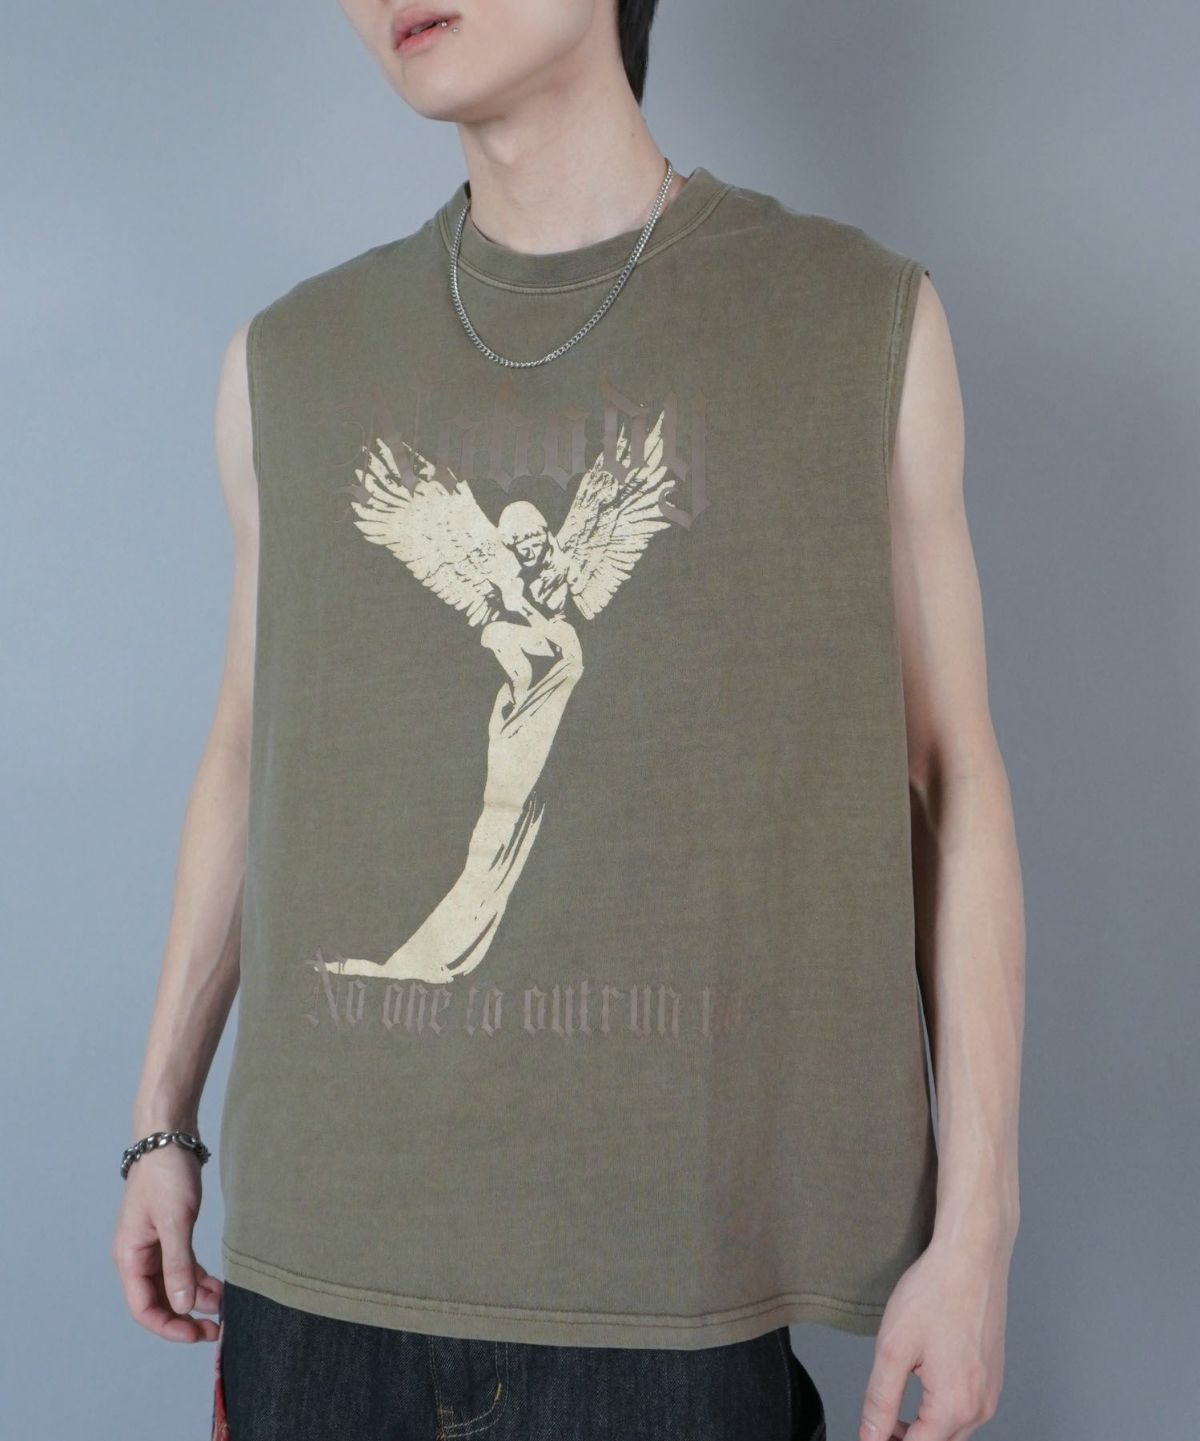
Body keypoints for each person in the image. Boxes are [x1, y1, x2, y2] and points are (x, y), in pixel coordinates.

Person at [111, 2, 1025, 1438]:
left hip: (671, 1304)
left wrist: (978, 1232)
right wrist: (160, 1119)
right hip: (319, 1293)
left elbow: (949, 780)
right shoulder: (287, 361)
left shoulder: (857, 323)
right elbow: (247, 758)